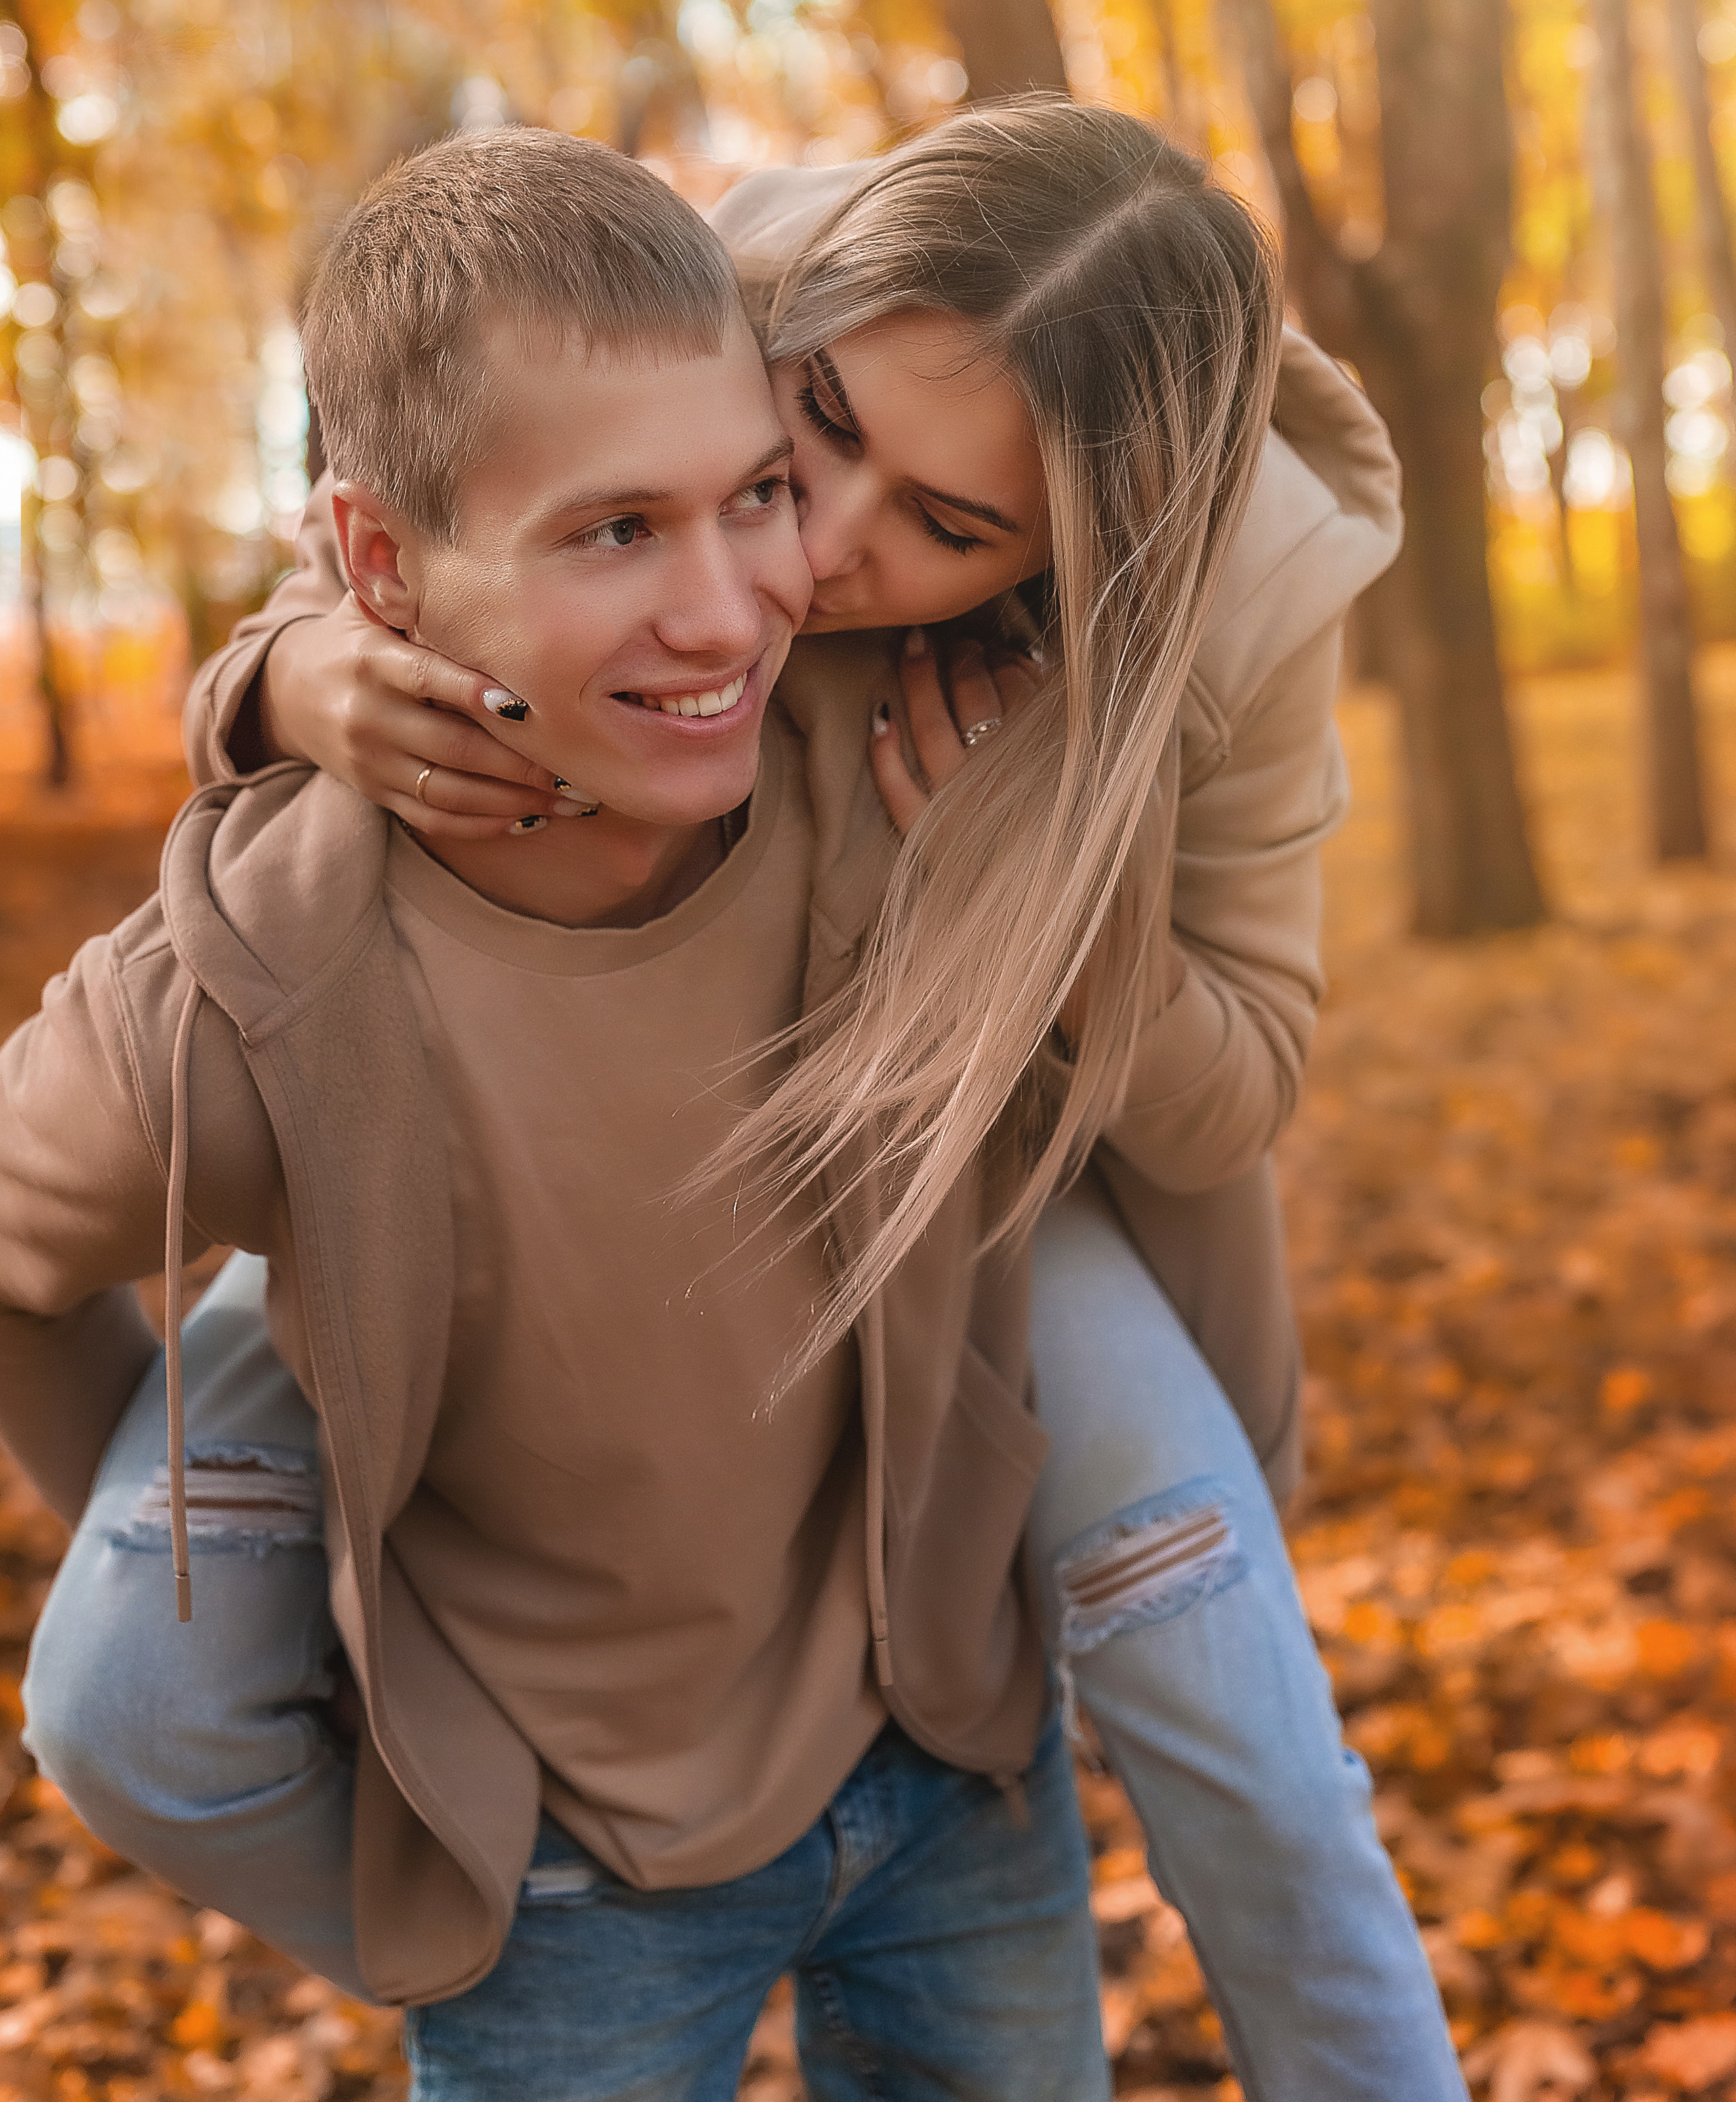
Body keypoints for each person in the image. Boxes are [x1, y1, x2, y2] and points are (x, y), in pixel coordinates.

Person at [30, 105, 1467, 2099]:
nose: (814, 540)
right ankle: (494, 1876)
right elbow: (492, 486)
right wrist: (281, 686)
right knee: (135, 1680)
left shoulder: (1234, 606)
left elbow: (1235, 1089)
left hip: (976, 1128)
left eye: (945, 527)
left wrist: (1034, 879)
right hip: (501, 1159)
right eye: (821, 427)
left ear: (1077, 560)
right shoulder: (746, 297)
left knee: (1223, 1682)